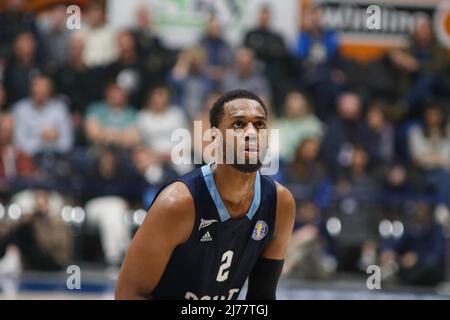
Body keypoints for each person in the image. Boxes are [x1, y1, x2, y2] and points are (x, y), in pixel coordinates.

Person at [115, 90, 295, 300]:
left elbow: (261, 298)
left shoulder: (280, 203)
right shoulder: (177, 203)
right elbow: (128, 294)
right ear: (214, 138)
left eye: (259, 125)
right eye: (238, 124)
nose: (251, 133)